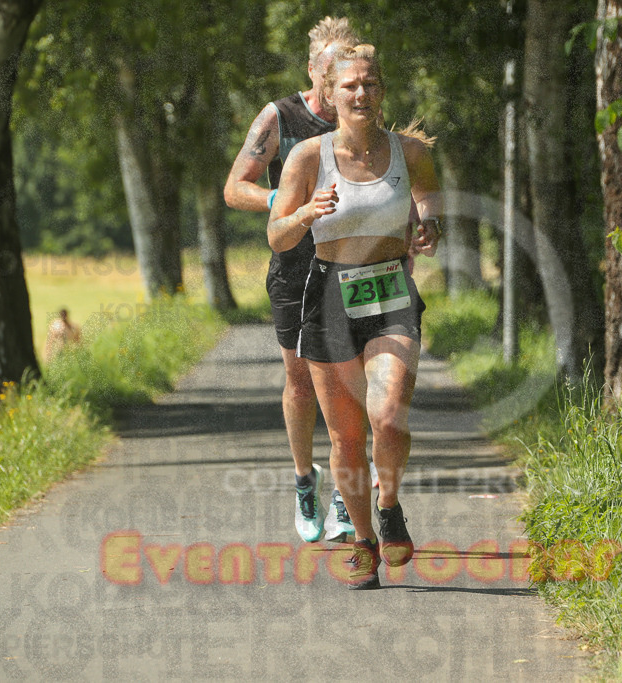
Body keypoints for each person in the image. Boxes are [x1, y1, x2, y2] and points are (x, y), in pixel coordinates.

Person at [267, 44, 442, 589]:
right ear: (331, 94)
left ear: (382, 89)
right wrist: (304, 212)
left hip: (391, 292)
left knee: (388, 417)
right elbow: (277, 234)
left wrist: (430, 223)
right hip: (328, 298)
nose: (361, 93)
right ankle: (364, 541)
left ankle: (388, 505)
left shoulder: (408, 151)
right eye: (350, 86)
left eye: (370, 83)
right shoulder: (307, 158)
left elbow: (429, 193)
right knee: (345, 438)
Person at [223, 17, 364, 544]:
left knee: (351, 387)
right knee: (303, 382)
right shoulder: (280, 117)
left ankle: (347, 500)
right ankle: (305, 480)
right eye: (329, 71)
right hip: (294, 266)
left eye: (346, 72)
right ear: (312, 69)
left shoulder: (361, 116)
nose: (339, 83)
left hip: (352, 265)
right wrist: (291, 205)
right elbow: (235, 187)